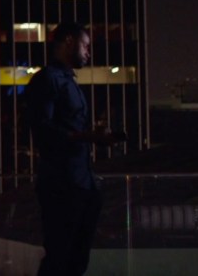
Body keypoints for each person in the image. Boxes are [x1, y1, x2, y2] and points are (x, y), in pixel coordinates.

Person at [24, 22, 124, 276]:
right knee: (60, 259)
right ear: (69, 41)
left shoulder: (65, 81)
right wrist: (90, 136)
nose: (88, 52)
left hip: (79, 183)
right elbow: (43, 130)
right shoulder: (48, 79)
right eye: (85, 45)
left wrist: (92, 136)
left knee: (74, 261)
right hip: (62, 184)